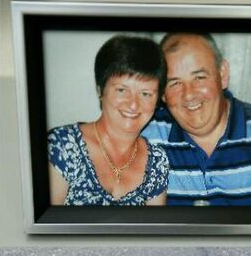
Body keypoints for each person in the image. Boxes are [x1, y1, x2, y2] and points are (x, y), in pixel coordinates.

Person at [141, 32, 251, 206]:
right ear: (162, 91)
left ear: (222, 75)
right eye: (175, 83)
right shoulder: (146, 139)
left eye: (199, 77)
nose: (189, 94)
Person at [47, 35, 169, 205]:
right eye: (121, 90)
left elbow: (153, 231)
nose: (133, 104)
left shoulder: (157, 161)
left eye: (145, 94)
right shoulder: (62, 146)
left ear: (157, 101)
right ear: (100, 89)